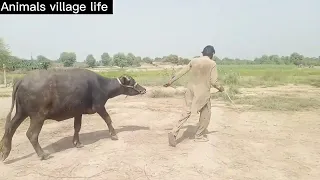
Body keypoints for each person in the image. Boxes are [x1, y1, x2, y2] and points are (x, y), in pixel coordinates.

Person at [163, 45, 224, 147]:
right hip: (203, 93)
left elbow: (181, 72)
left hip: (190, 90)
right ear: (212, 54)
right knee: (206, 114)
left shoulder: (194, 61)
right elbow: (214, 82)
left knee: (186, 112)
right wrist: (221, 88)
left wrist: (170, 82)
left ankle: (174, 132)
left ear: (203, 53)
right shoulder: (212, 63)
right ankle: (199, 136)